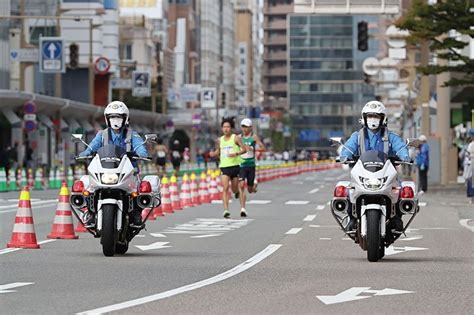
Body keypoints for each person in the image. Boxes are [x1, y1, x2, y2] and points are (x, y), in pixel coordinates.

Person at [340, 100, 410, 233]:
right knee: (349, 190)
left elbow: (400, 147)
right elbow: (348, 147)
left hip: (386, 173)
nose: (373, 119)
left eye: (376, 116)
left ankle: (396, 217)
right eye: (370, 116)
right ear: (364, 119)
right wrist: (345, 155)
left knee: (399, 190)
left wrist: (404, 155)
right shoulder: (357, 136)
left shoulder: (391, 135)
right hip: (363, 172)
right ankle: (352, 219)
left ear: (383, 119)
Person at [79, 101, 147, 228]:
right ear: (107, 119)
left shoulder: (132, 134)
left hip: (128, 171)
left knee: (138, 187)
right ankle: (90, 212)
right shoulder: (102, 134)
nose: (115, 120)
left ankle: (136, 213)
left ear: (125, 118)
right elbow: (92, 146)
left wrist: (141, 153)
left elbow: (140, 147)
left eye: (118, 117)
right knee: (89, 186)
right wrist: (85, 152)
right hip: (106, 169)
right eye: (112, 117)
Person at [209, 117, 247, 218]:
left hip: (235, 166)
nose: (226, 129)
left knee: (234, 189)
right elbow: (218, 151)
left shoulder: (236, 138)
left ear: (231, 128)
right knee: (225, 188)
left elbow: (244, 149)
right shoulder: (220, 140)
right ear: (222, 128)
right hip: (224, 167)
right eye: (224, 127)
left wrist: (236, 153)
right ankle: (226, 210)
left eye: (228, 127)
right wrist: (213, 154)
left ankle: (237, 192)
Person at [238, 118, 265, 217]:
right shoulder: (238, 137)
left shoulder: (254, 137)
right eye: (243, 126)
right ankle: (243, 208)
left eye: (246, 127)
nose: (244, 129)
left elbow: (262, 148)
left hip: (251, 165)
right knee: (241, 185)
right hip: (241, 165)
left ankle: (254, 185)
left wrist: (254, 148)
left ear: (250, 128)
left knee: (250, 189)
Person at [463, 129, 474, 203]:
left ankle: (472, 198)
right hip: (471, 164)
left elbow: (469, 154)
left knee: (471, 181)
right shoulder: (471, 144)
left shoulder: (472, 144)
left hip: (472, 165)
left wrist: (469, 155)